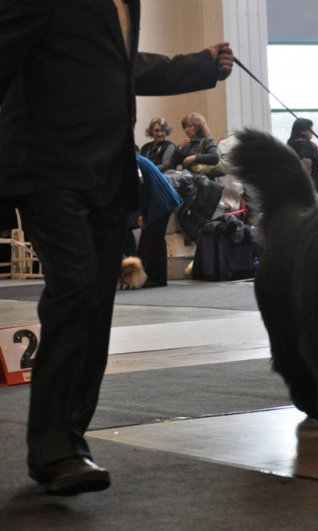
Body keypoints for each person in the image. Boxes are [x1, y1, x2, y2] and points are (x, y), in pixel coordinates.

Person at [0, 0, 233, 494]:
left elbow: (121, 66)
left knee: (97, 299)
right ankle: (54, 447)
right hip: (46, 169)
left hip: (108, 175)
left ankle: (68, 440)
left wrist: (200, 64)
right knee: (77, 285)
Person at [136, 155, 183, 288]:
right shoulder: (137, 160)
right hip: (161, 200)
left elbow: (143, 188)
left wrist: (142, 214)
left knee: (156, 240)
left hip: (161, 201)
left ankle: (158, 278)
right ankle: (153, 276)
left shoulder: (134, 163)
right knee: (153, 240)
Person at [288, 117, 318, 193]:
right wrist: (307, 183)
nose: (312, 132)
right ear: (302, 131)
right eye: (310, 129)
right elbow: (306, 161)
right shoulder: (304, 145)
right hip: (309, 186)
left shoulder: (291, 143)